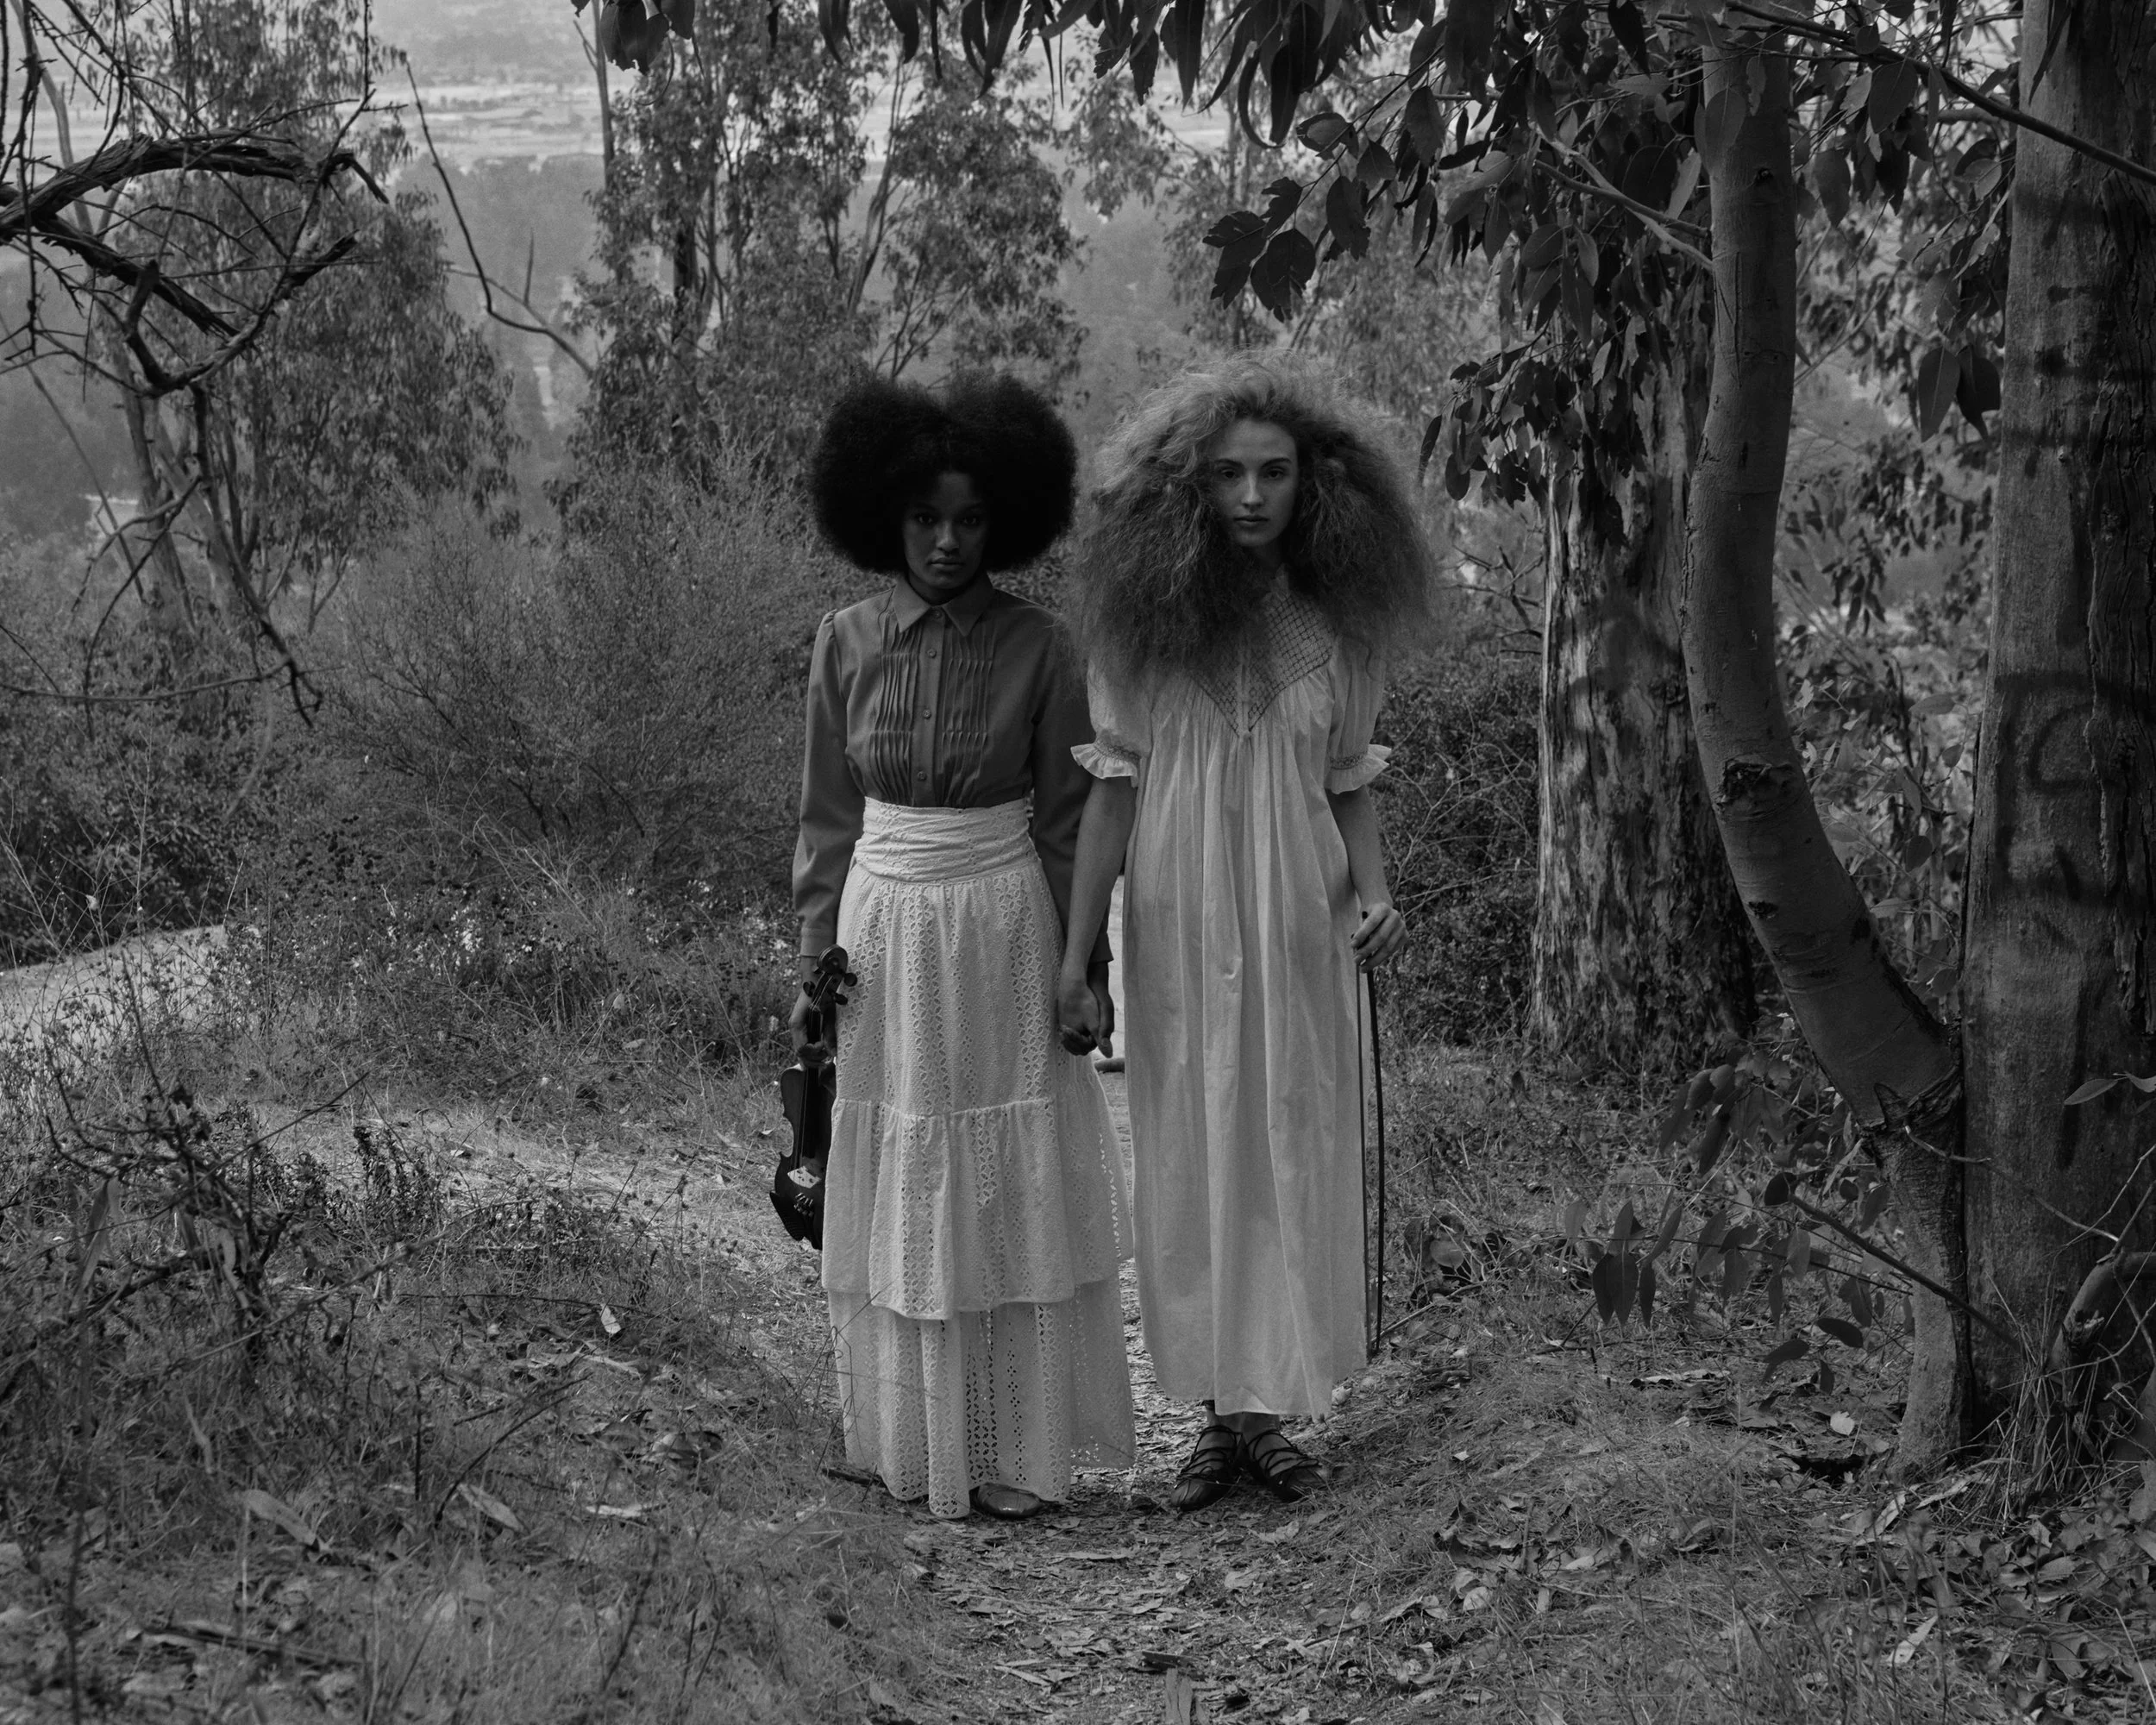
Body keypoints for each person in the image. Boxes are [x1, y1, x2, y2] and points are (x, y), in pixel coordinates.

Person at [1056, 354, 1429, 1510]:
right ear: (1187, 488)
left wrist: (1375, 894)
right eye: (1227, 475)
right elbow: (1112, 791)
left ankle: (1270, 1407)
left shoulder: (1340, 628)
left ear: (1317, 482)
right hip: (1174, 908)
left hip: (1299, 914)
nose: (1253, 496)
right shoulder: (1142, 629)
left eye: (1275, 472)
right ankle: (1216, 1412)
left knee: (1285, 1133)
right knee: (1194, 1140)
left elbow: (1348, 779)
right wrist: (1082, 955)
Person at [793, 373, 1133, 1522]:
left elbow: (1070, 823)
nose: (946, 541)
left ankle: (1005, 1449)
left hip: (999, 926)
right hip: (881, 928)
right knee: (900, 1164)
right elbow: (826, 821)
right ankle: (899, 1437)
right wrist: (813, 962)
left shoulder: (1042, 648)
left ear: (1007, 522)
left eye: (971, 519)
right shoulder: (845, 642)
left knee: (996, 1176)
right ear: (884, 517)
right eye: (924, 518)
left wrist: (1085, 971)